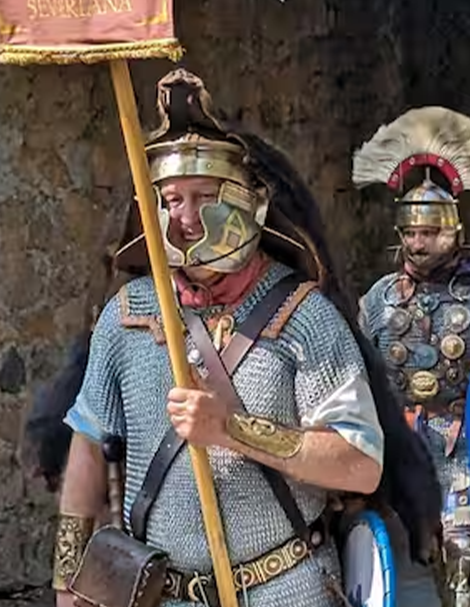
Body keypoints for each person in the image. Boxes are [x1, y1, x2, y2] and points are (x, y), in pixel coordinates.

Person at [44, 70, 440, 607]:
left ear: (250, 204)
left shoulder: (306, 320)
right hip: (163, 594)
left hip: (285, 587)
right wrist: (67, 584)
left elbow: (360, 464)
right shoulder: (126, 318)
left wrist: (230, 430)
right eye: (169, 200)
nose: (182, 219)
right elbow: (88, 449)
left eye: (202, 196)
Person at [351, 107, 470, 607]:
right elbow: (357, 376)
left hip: (466, 447)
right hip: (404, 447)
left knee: (462, 552)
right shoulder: (380, 299)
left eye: (429, 232)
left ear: (453, 230)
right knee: (425, 555)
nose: (418, 242)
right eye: (410, 232)